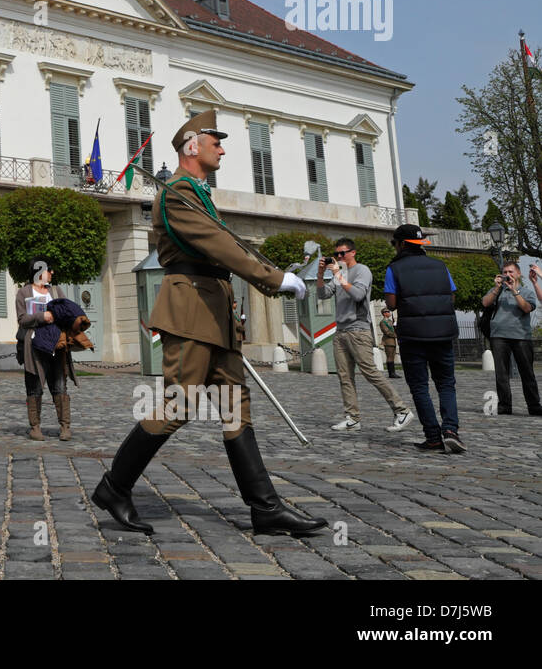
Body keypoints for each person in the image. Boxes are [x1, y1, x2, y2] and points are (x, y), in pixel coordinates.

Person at [92, 110, 326, 537]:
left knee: (236, 406)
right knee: (178, 403)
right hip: (191, 308)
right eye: (215, 140)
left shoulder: (196, 192)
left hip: (213, 307)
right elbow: (218, 244)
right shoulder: (178, 193)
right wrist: (274, 277)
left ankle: (266, 508)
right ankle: (114, 487)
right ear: (192, 146)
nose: (222, 146)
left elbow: (220, 247)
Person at [316, 238, 413, 432]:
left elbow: (358, 295)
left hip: (359, 329)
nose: (339, 257)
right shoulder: (339, 274)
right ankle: (352, 417)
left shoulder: (362, 271)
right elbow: (322, 294)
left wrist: (339, 276)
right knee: (344, 376)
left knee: (370, 372)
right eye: (336, 255)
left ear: (353, 252)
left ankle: (402, 410)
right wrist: (320, 275)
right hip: (341, 330)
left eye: (342, 253)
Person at [383, 224, 464, 452]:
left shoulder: (395, 268)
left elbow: (391, 303)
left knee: (420, 387)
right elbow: (451, 294)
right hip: (443, 333)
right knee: (446, 384)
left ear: (401, 244)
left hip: (413, 335)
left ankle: (433, 437)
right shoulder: (440, 266)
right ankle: (451, 430)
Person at [16, 258, 71, 441]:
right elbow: (22, 319)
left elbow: (66, 312)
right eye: (50, 270)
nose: (52, 273)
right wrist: (42, 316)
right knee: (34, 387)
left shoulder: (56, 291)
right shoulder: (23, 292)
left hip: (56, 346)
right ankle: (35, 427)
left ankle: (65, 426)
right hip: (34, 347)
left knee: (60, 386)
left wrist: (56, 315)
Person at [483, 262, 541, 416]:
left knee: (527, 372)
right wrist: (496, 288)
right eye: (505, 272)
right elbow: (485, 303)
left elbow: (527, 308)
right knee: (501, 373)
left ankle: (534, 406)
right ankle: (504, 406)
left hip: (521, 337)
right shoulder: (498, 291)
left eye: (511, 271)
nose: (508, 274)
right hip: (498, 336)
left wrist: (514, 291)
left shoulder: (526, 291)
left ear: (518, 274)